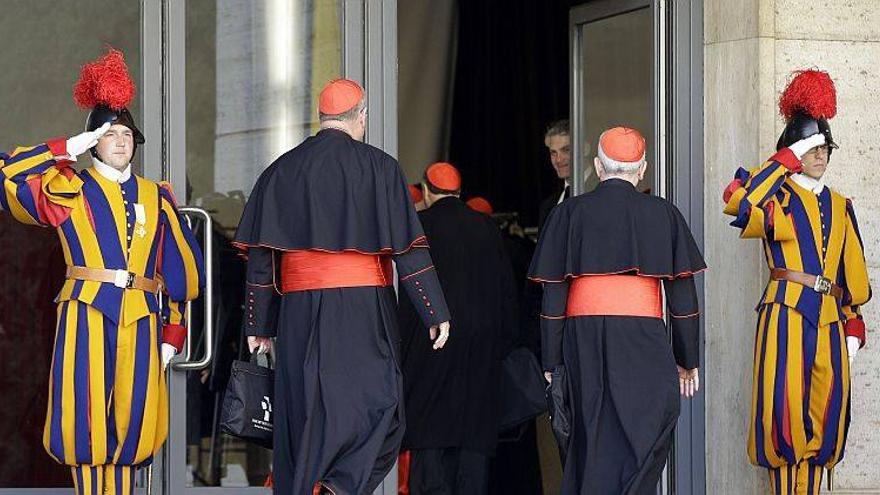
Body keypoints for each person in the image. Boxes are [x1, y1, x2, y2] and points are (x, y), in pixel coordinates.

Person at [0, 48, 204, 494]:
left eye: (127, 134)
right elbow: (9, 175)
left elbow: (179, 276)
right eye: (110, 134)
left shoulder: (157, 195)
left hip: (143, 317)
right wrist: (65, 148)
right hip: (86, 313)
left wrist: (172, 334)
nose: (121, 140)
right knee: (84, 421)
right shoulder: (68, 185)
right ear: (93, 142)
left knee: (135, 427)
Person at [234, 79, 452, 495]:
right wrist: (434, 311)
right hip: (361, 308)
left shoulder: (282, 168)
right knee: (383, 405)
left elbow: (262, 259)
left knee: (307, 411)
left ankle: (317, 485)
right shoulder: (380, 167)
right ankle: (336, 486)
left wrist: (257, 323)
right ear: (362, 117)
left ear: (323, 118)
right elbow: (408, 248)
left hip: (298, 310)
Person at [529, 126, 705, 494]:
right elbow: (684, 303)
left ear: (597, 166)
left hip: (583, 341)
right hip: (644, 341)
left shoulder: (568, 214)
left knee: (591, 441)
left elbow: (553, 302)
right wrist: (687, 359)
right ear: (642, 169)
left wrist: (551, 363)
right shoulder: (664, 214)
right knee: (645, 435)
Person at [722, 69, 871, 494]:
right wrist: (786, 158)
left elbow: (852, 279)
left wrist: (854, 330)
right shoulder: (779, 196)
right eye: (812, 148)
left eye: (824, 147)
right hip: (786, 314)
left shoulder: (841, 206)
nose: (820, 155)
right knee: (784, 418)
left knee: (827, 421)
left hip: (831, 322)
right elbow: (737, 199)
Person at [398, 164, 517, 494]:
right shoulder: (486, 228)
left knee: (429, 450)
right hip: (478, 356)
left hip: (428, 351)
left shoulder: (418, 227)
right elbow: (507, 293)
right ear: (459, 191)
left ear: (427, 189)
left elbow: (406, 296)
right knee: (472, 457)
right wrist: (502, 345)